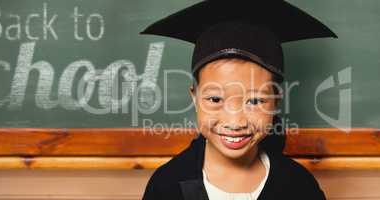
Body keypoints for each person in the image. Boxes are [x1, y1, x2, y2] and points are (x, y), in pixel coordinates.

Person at [140, 0, 337, 199]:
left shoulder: (299, 187)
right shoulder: (166, 186)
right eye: (215, 99)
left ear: (276, 101)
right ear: (195, 97)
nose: (235, 123)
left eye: (254, 101)